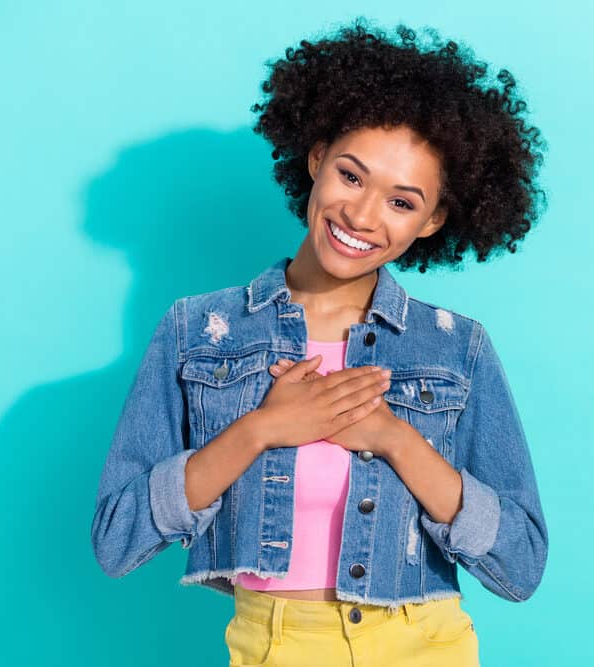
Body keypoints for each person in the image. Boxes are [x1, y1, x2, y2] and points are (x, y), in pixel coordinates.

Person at [92, 17, 548, 666]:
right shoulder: (194, 330)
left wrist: (397, 439)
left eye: (401, 201)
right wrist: (260, 429)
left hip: (426, 645)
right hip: (274, 646)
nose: (361, 216)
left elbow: (520, 562)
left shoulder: (457, 348)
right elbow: (117, 538)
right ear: (316, 157)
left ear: (433, 220)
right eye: (352, 175)